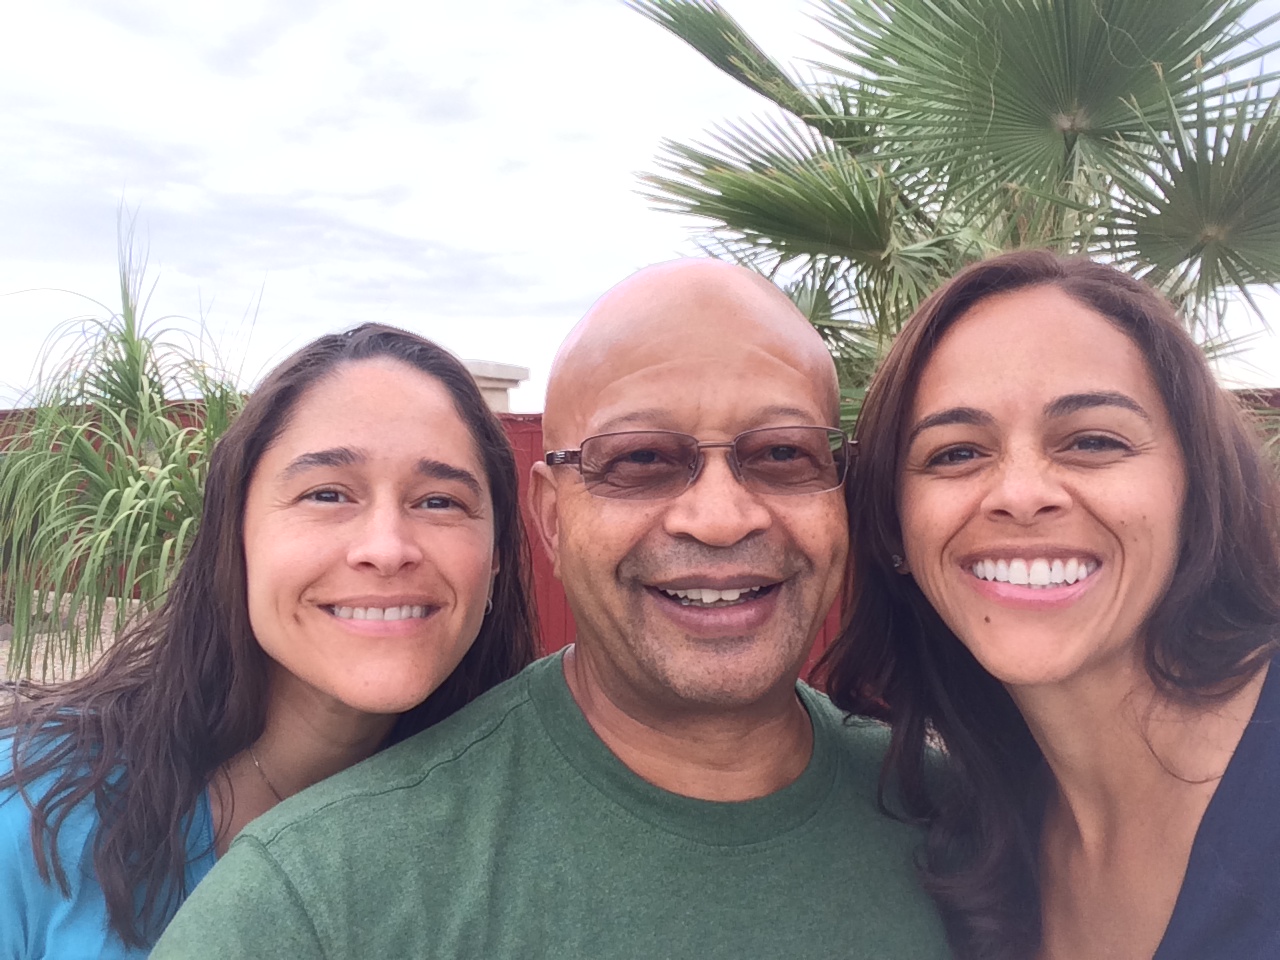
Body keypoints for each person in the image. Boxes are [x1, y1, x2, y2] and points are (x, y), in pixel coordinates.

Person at [151, 259, 949, 959]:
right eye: (641, 458)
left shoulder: (972, 828)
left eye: (782, 453)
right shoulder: (317, 901)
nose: (720, 517)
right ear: (552, 519)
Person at [0, 323, 537, 958]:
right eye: (327, 493)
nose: (387, 548)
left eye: (440, 502)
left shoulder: (528, 836)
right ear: (236, 533)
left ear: (495, 557)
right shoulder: (34, 809)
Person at [826, 249, 1280, 960]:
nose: (1021, 493)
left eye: (1093, 441)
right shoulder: (964, 832)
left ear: (1195, 491)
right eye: (956, 453)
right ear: (894, 528)